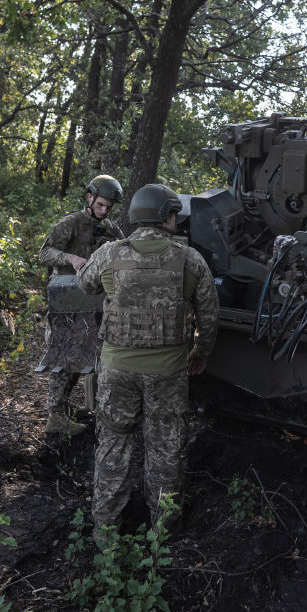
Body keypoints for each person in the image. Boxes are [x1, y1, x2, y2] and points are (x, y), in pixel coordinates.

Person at [77, 184, 219, 542]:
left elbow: (86, 284)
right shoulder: (190, 259)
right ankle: (163, 536)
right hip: (167, 374)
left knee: (113, 446)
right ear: (168, 217)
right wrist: (200, 353)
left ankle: (106, 535)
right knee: (165, 448)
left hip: (116, 371)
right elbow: (209, 315)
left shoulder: (109, 253)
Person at [38, 174, 125, 437]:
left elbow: (123, 253)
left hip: (94, 302)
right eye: (100, 205)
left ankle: (64, 408)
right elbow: (44, 253)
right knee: (63, 356)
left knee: (86, 357)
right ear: (89, 197)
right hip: (65, 298)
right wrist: (70, 257)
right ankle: (55, 416)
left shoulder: (111, 230)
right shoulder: (71, 223)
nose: (104, 211)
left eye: (109, 207)